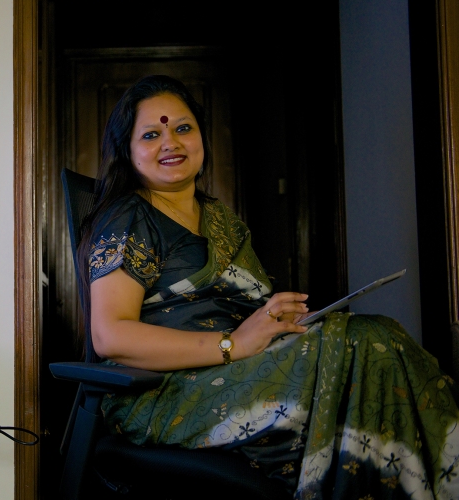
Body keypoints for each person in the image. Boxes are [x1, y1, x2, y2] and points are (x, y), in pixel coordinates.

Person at [79, 75, 459, 498]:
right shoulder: (131, 218)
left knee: (377, 336)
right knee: (368, 346)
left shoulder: (218, 218)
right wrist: (233, 344)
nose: (171, 142)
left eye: (183, 128)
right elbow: (109, 334)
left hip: (234, 372)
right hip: (168, 393)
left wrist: (275, 321)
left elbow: (246, 316)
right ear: (128, 152)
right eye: (151, 134)